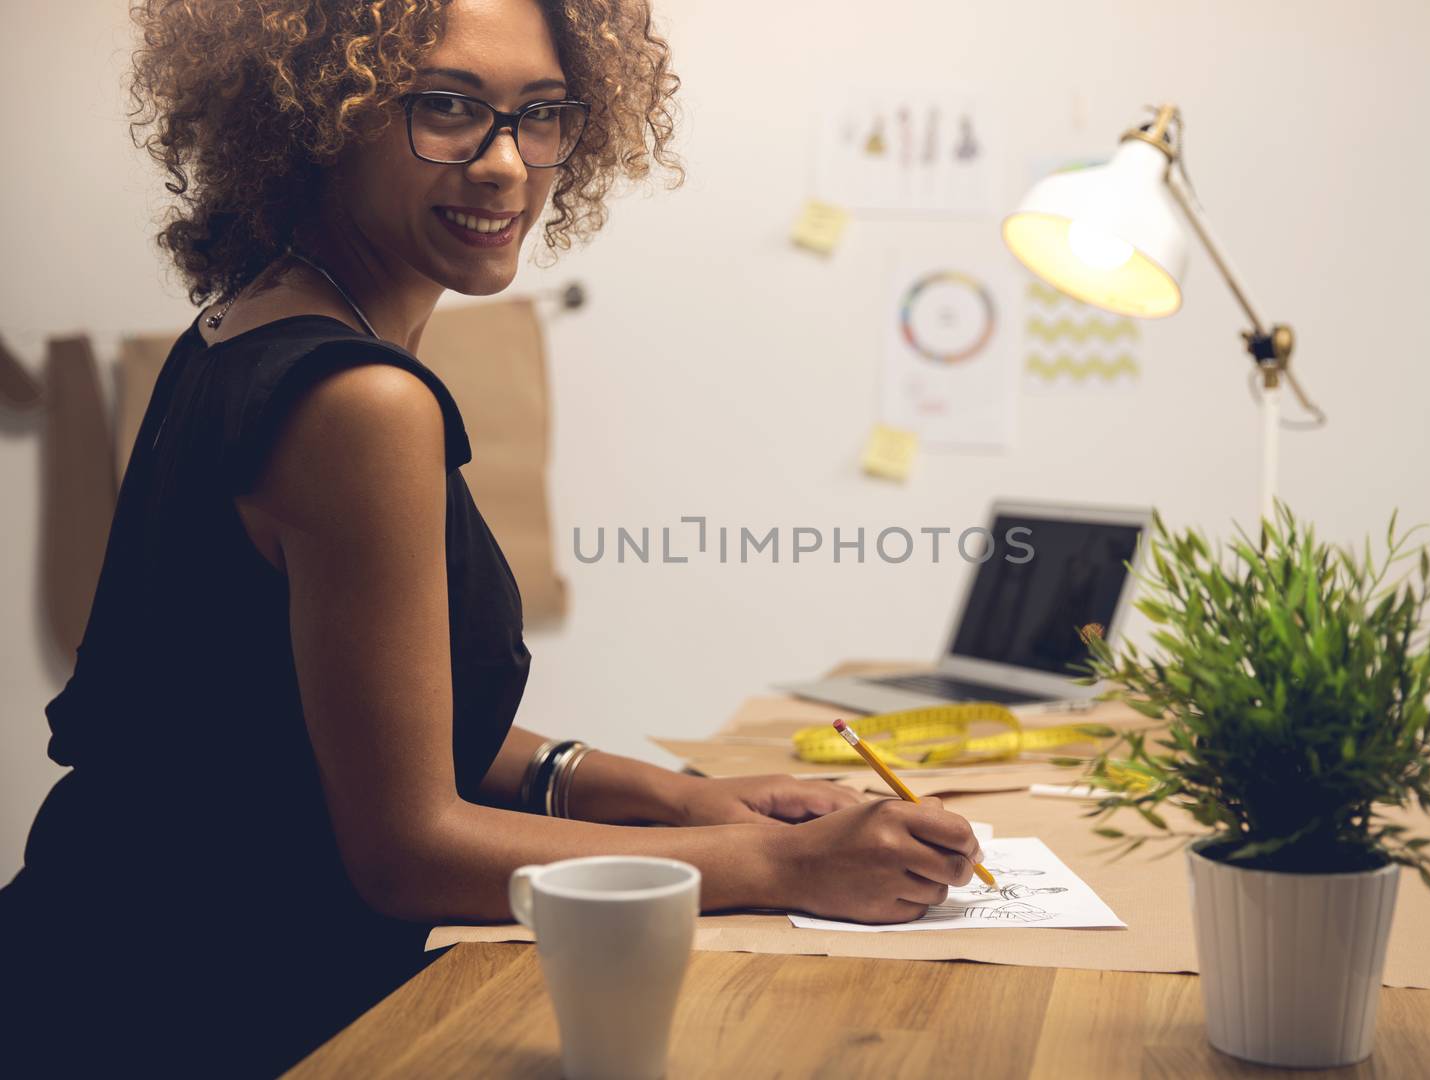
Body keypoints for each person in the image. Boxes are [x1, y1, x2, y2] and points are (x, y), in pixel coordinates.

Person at [0, 1, 981, 1074]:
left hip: (97, 963)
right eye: (448, 108)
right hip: (179, 1017)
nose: (507, 165)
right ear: (321, 115)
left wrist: (675, 797)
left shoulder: (252, 326)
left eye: (542, 115)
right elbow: (408, 851)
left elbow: (334, 717)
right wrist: (779, 866)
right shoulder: (362, 403)